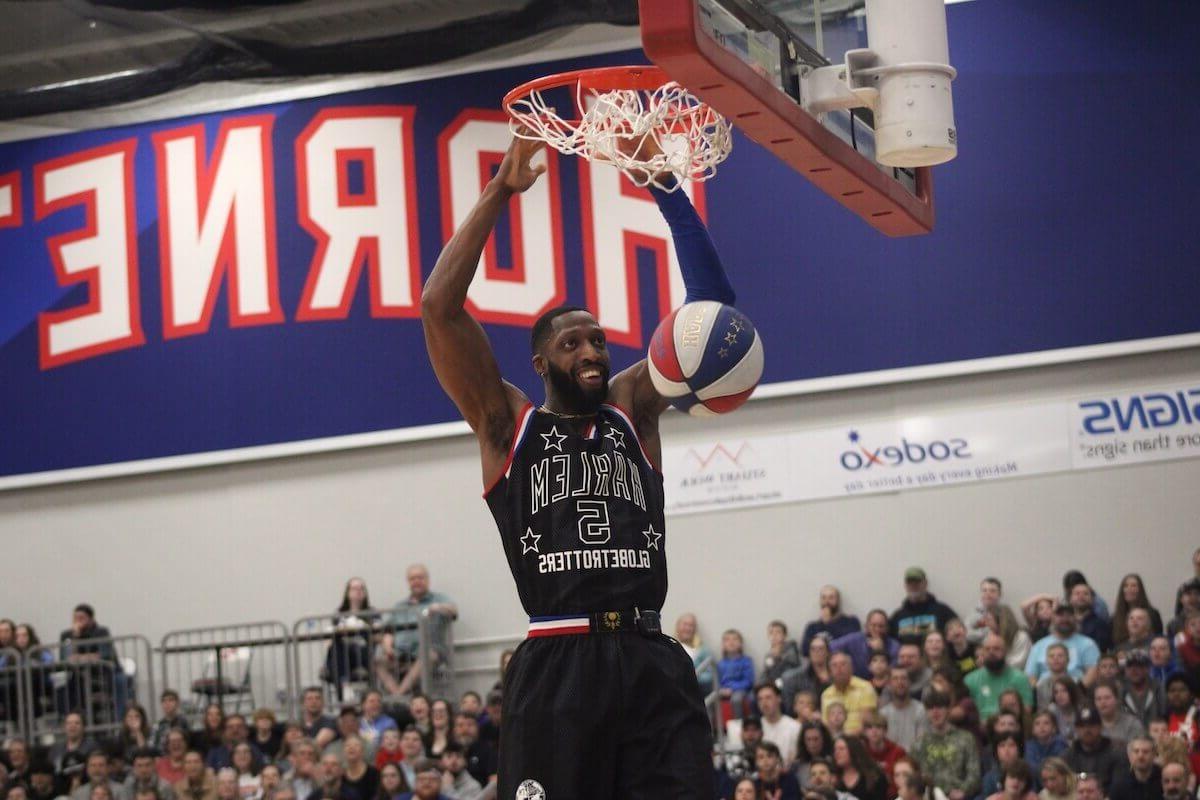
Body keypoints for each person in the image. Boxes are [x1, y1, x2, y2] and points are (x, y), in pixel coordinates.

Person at [423, 131, 738, 799]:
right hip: (558, 662)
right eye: (573, 342)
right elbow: (438, 309)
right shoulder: (507, 425)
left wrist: (664, 184)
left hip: (650, 655)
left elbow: (711, 315)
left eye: (597, 338)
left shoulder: (634, 408)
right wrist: (498, 191)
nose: (591, 349)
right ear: (541, 363)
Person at [379, 567, 457, 698]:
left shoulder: (438, 599)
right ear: (408, 582)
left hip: (430, 651)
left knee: (427, 656)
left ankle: (398, 696)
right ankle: (398, 694)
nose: (416, 582)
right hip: (401, 653)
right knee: (378, 662)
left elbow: (454, 611)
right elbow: (388, 630)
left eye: (420, 578)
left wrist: (438, 608)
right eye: (412, 579)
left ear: (427, 580)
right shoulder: (400, 606)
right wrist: (387, 647)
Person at [908, 692, 979, 800]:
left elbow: (974, 773)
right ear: (926, 712)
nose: (935, 712)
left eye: (940, 707)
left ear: (948, 709)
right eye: (931, 708)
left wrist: (963, 791)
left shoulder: (966, 738)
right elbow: (912, 776)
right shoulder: (919, 743)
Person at [325, 578, 377, 701]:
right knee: (336, 647)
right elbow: (330, 637)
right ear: (347, 593)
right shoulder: (339, 614)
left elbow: (379, 635)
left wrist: (364, 627)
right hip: (344, 651)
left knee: (339, 650)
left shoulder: (371, 612)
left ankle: (343, 693)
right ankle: (344, 687)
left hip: (363, 652)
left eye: (361, 588)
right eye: (354, 588)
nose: (358, 591)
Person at [1026, 605, 1101, 686]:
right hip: (1044, 693)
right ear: (1053, 618)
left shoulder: (1088, 644)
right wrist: (1039, 693)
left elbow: (1093, 673)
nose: (1065, 619)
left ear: (1075, 618)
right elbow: (1030, 676)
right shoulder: (1039, 645)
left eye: (1069, 615)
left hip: (1077, 692)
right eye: (1060, 615)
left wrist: (1075, 692)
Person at [966, 634, 1034, 721]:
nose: (991, 652)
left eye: (996, 649)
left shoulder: (1020, 678)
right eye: (987, 649)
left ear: (1005, 652)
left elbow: (1027, 709)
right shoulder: (970, 680)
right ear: (982, 653)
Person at [1064, 706, 1129, 793]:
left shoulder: (1116, 753)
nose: (1087, 730)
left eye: (1091, 725)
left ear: (1100, 727)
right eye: (1082, 726)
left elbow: (1119, 788)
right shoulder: (1068, 756)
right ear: (1076, 729)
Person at [889, 570, 959, 646]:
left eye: (917, 582)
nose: (913, 586)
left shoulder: (942, 611)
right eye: (910, 583)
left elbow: (957, 634)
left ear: (925, 584)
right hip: (907, 657)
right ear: (905, 586)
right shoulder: (897, 616)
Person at [833, 612, 900, 681]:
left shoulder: (894, 646)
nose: (877, 629)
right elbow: (831, 647)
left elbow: (893, 672)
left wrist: (880, 651)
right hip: (857, 684)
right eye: (873, 625)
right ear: (867, 626)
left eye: (881, 626)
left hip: (884, 684)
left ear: (887, 628)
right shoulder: (855, 639)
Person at [823, 654, 878, 735]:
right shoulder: (826, 694)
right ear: (829, 672)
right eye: (834, 665)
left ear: (851, 668)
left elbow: (867, 724)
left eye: (843, 664)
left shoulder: (865, 688)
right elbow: (826, 725)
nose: (839, 668)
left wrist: (845, 739)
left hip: (860, 740)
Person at [802, 588, 863, 657]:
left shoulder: (851, 621)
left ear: (838, 601)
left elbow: (853, 646)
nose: (827, 602)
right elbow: (805, 651)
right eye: (823, 598)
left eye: (831, 598)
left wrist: (829, 624)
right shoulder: (812, 627)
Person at [880, 668, 927, 752]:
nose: (900, 682)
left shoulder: (921, 710)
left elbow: (921, 744)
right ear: (889, 684)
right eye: (895, 679)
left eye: (903, 678)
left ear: (910, 683)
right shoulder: (883, 714)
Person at [860, 713, 906, 797]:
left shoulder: (898, 752)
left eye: (878, 727)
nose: (874, 731)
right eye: (870, 727)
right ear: (864, 732)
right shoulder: (861, 753)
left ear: (885, 731)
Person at [757, 683, 802, 767]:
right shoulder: (756, 728)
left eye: (768, 697)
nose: (764, 702)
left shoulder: (795, 727)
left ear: (779, 698)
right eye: (760, 699)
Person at [831, 736, 887, 800]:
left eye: (841, 749)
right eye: (835, 749)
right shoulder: (833, 777)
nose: (836, 753)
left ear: (853, 750)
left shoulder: (875, 777)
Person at [675, 614, 716, 696]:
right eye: (685, 624)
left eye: (691, 625)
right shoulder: (670, 646)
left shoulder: (703, 650)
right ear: (678, 627)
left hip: (697, 688)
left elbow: (710, 676)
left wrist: (693, 678)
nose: (687, 628)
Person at [1094, 680, 1147, 744]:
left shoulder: (1132, 724)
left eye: (1107, 698)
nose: (1102, 702)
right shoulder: (1088, 725)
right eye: (1098, 699)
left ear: (1117, 699)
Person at [1122, 652, 1166, 728]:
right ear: (1125, 670)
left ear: (1148, 669)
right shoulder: (1120, 692)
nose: (1133, 670)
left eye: (1138, 665)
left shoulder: (1159, 688)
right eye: (1130, 666)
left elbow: (1165, 716)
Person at [720, 630, 756, 721]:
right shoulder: (720, 664)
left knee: (736, 699)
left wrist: (732, 689)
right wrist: (721, 690)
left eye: (735, 639)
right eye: (727, 640)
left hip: (741, 690)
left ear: (740, 644)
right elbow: (717, 681)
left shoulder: (746, 661)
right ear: (723, 645)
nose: (731, 642)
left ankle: (738, 724)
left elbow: (748, 681)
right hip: (723, 690)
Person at [980, 733, 1027, 800]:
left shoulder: (1028, 773)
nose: (1006, 750)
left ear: (1019, 749)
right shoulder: (989, 778)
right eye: (1002, 745)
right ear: (996, 751)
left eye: (1011, 745)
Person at [1027, 711, 1069, 779]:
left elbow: (1060, 767)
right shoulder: (1029, 746)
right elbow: (1031, 768)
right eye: (1037, 723)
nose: (1041, 726)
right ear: (1033, 730)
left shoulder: (1060, 744)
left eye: (1046, 723)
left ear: (1054, 728)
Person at [763, 622, 803, 691]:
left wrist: (779, 656)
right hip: (774, 682)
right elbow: (767, 672)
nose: (774, 635)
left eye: (778, 632)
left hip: (789, 680)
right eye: (771, 632)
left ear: (785, 635)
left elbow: (794, 664)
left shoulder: (791, 647)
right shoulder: (768, 655)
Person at [795, 722, 835, 790]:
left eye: (816, 739)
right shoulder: (797, 765)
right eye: (808, 739)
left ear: (824, 740)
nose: (812, 744)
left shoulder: (834, 762)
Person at [966, 579, 1007, 646]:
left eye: (992, 591)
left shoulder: (1005, 613)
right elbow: (966, 634)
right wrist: (988, 630)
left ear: (999, 594)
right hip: (978, 650)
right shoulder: (974, 613)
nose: (988, 594)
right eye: (984, 590)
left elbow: (1009, 635)